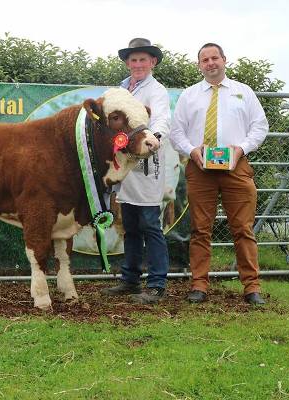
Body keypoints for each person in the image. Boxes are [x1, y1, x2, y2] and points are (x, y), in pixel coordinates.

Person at [169, 43, 268, 305]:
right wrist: (192, 151)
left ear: (224, 60)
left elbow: (259, 126)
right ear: (199, 65)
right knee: (200, 229)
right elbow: (176, 132)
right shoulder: (189, 95)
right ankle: (199, 285)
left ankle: (252, 288)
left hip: (236, 168)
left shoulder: (243, 92)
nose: (210, 63)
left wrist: (242, 149)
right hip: (200, 170)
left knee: (243, 229)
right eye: (205, 59)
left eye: (215, 58)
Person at [101, 38, 171, 304]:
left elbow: (162, 118)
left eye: (143, 59)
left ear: (152, 62)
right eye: (133, 60)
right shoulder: (120, 90)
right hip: (124, 164)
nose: (138, 64)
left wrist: (153, 138)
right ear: (127, 62)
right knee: (129, 225)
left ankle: (156, 284)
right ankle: (130, 280)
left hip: (146, 162)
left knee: (150, 224)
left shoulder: (157, 91)